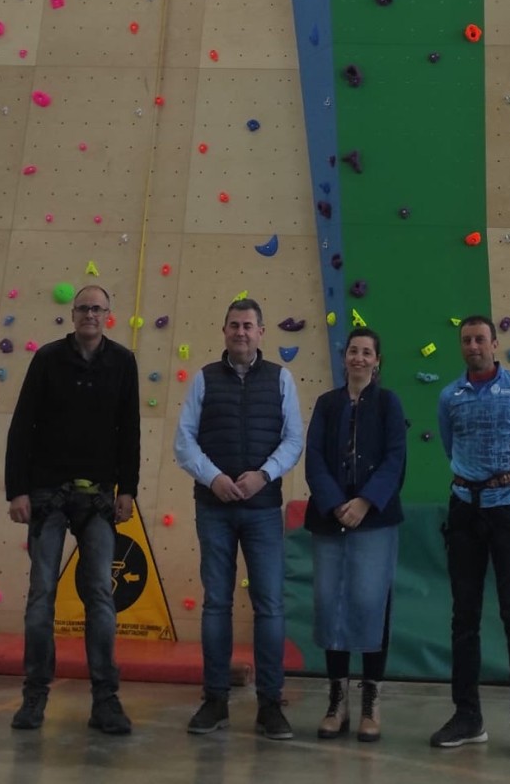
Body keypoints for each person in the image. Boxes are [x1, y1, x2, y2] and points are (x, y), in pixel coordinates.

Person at [5, 284, 140, 735]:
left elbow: (130, 430)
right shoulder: (46, 359)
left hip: (99, 497)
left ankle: (106, 700)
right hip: (47, 495)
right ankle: (34, 697)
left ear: (108, 315)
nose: (90, 315)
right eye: (83, 308)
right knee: (41, 596)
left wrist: (128, 489)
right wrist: (17, 491)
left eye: (98, 309)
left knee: (101, 596)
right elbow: (22, 425)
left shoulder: (123, 362)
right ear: (72, 314)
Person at [174, 298, 304, 740]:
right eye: (234, 325)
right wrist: (213, 479)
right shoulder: (204, 379)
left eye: (249, 325)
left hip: (264, 511)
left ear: (262, 332)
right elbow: (184, 440)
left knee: (269, 606)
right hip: (213, 509)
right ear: (224, 331)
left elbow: (293, 439)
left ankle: (270, 706)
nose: (241, 332)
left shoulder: (282, 379)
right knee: (216, 604)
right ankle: (215, 701)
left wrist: (263, 476)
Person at [429, 315, 510, 761]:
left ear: (495, 344)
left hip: (509, 512)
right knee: (465, 618)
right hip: (463, 512)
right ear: (461, 347)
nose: (474, 346)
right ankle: (468, 717)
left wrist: (509, 486)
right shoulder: (449, 397)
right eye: (466, 340)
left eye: (481, 339)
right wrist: (475, 485)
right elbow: (448, 446)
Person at [304, 327, 406, 742]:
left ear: (377, 361)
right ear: (343, 357)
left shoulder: (389, 403)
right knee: (332, 603)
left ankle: (370, 704)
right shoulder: (326, 404)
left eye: (367, 352)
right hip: (330, 519)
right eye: (353, 351)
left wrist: (364, 502)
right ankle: (337, 703)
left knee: (370, 601)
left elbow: (395, 458)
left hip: (375, 520)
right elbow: (313, 457)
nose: (359, 358)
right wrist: (334, 504)